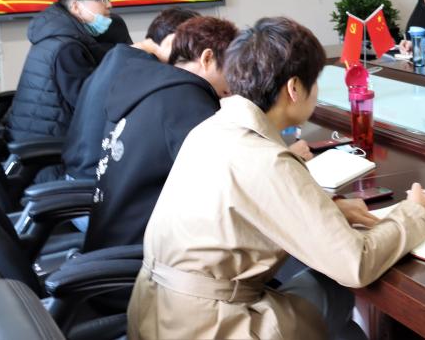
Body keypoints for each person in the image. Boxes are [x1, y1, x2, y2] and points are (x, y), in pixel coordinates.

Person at [128, 17, 425, 339]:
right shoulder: (267, 158)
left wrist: (331, 209)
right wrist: (414, 213)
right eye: (314, 82)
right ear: (294, 88)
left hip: (155, 311)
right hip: (211, 326)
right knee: (334, 286)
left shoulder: (210, 128)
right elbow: (354, 264)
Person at [84, 16, 312, 251]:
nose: (236, 80)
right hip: (145, 251)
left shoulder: (152, 84)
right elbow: (239, 184)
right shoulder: (186, 103)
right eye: (233, 68)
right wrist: (287, 156)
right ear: (207, 58)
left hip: (110, 237)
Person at [62, 7, 200, 182]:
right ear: (172, 41)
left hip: (78, 171)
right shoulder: (145, 71)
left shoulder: (118, 57)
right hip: (96, 182)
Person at [5, 0, 130, 143]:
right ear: (76, 7)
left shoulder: (60, 32)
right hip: (46, 146)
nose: (109, 4)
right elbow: (92, 106)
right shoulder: (66, 48)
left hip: (42, 133)